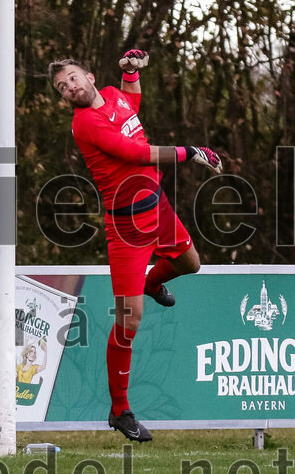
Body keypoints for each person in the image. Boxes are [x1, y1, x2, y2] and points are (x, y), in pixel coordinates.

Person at [49, 51, 223, 442]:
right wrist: (190, 152)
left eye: (72, 78)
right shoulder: (84, 124)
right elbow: (135, 153)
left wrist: (130, 73)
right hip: (126, 229)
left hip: (157, 208)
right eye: (62, 87)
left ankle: (150, 283)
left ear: (90, 76)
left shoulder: (113, 95)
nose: (69, 87)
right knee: (129, 321)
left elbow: (130, 104)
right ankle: (119, 411)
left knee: (190, 263)